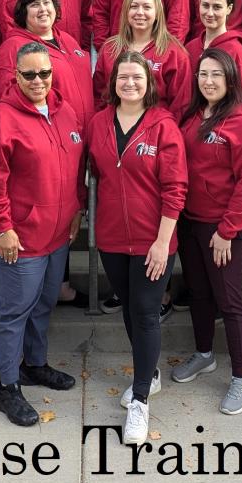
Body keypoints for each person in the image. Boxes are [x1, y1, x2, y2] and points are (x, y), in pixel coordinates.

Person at [0, 42, 85, 426]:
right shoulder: (2, 119)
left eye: (45, 73)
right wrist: (2, 226)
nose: (38, 81)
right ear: (15, 76)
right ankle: (7, 386)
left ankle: (34, 364)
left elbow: (75, 169)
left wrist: (77, 210)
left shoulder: (65, 112)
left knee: (43, 304)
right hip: (19, 238)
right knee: (13, 311)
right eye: (29, 74)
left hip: (57, 235)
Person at [86, 50, 187, 441]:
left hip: (153, 240)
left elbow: (175, 189)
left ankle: (141, 399)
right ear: (113, 83)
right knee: (129, 309)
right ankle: (152, 373)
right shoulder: (97, 123)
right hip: (112, 238)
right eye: (122, 77)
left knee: (146, 312)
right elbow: (95, 172)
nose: (129, 83)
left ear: (149, 84)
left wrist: (163, 242)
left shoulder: (163, 125)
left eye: (137, 78)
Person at [170, 49, 242, 415]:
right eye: (203, 74)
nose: (208, 81)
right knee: (199, 293)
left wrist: (228, 230)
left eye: (216, 75)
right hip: (190, 220)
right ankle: (204, 354)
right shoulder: (193, 115)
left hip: (223, 227)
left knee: (230, 299)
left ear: (230, 80)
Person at [0, 0, 95, 129]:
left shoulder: (69, 40)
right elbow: (2, 96)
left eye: (47, 3)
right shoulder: (12, 47)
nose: (43, 9)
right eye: (35, 4)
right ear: (23, 12)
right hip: (50, 133)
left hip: (83, 134)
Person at [93, 0, 191, 118]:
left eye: (147, 7)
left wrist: (165, 131)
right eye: (134, 7)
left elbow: (181, 104)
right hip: (115, 129)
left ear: (157, 13)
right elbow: (99, 96)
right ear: (126, 12)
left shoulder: (174, 52)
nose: (139, 12)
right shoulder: (109, 49)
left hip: (157, 130)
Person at [184, 0, 242, 99]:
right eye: (205, 5)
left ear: (229, 9)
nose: (210, 13)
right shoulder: (190, 48)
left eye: (217, 7)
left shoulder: (236, 52)